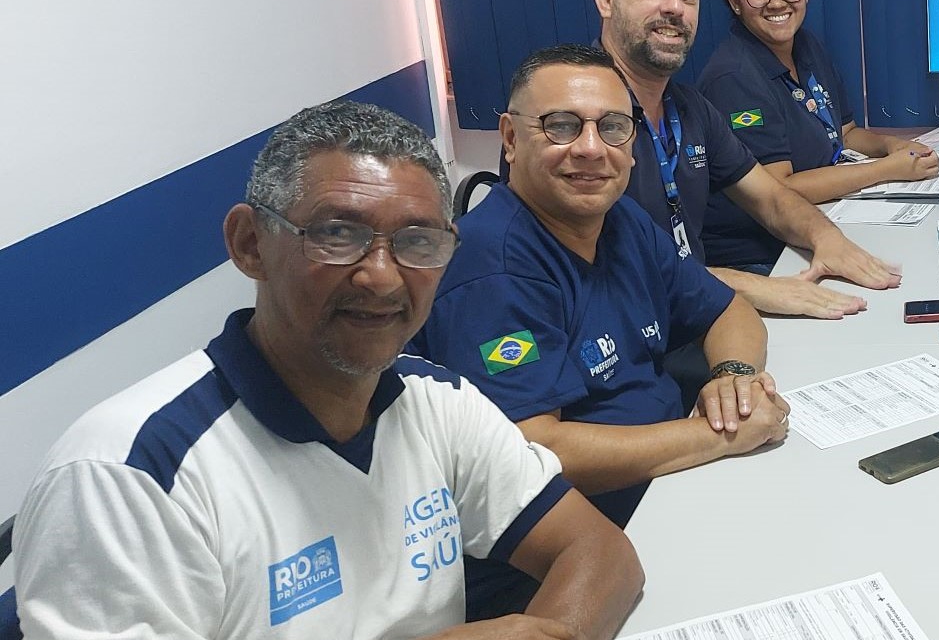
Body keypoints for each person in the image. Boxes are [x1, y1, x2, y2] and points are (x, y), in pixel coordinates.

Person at [12, 101, 642, 639]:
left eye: (419, 242)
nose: (382, 275)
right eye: (338, 235)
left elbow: (601, 553)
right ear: (250, 244)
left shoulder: (436, 400)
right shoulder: (131, 474)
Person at [412, 45, 791, 618]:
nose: (591, 149)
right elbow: (536, 449)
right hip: (574, 558)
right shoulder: (495, 267)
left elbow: (726, 310)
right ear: (510, 139)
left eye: (612, 127)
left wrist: (733, 377)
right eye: (562, 125)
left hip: (668, 489)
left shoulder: (622, 222)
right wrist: (722, 436)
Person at [594, 0, 896, 319]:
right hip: (626, 339)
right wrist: (756, 288)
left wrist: (826, 238)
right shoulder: (578, 114)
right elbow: (606, 270)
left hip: (697, 313)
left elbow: (771, 197)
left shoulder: (689, 108)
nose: (673, 6)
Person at [696, 0, 939, 267]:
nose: (777, 2)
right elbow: (779, 192)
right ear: (734, 1)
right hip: (762, 253)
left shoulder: (806, 45)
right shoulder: (734, 77)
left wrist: (889, 147)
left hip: (823, 217)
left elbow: (845, 131)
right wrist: (885, 169)